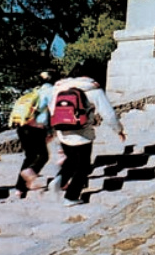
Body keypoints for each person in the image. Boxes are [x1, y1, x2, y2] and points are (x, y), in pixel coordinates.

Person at [48, 65, 125, 207]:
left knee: (71, 160)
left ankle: (59, 180)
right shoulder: (94, 90)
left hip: (63, 132)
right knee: (83, 167)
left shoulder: (59, 88)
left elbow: (52, 110)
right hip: (83, 134)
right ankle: (71, 197)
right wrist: (118, 130)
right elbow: (109, 114)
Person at [13, 71, 55, 196]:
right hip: (37, 127)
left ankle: (20, 188)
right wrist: (51, 131)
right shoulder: (52, 91)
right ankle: (30, 173)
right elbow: (53, 111)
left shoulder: (34, 91)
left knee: (30, 156)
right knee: (43, 156)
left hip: (23, 126)